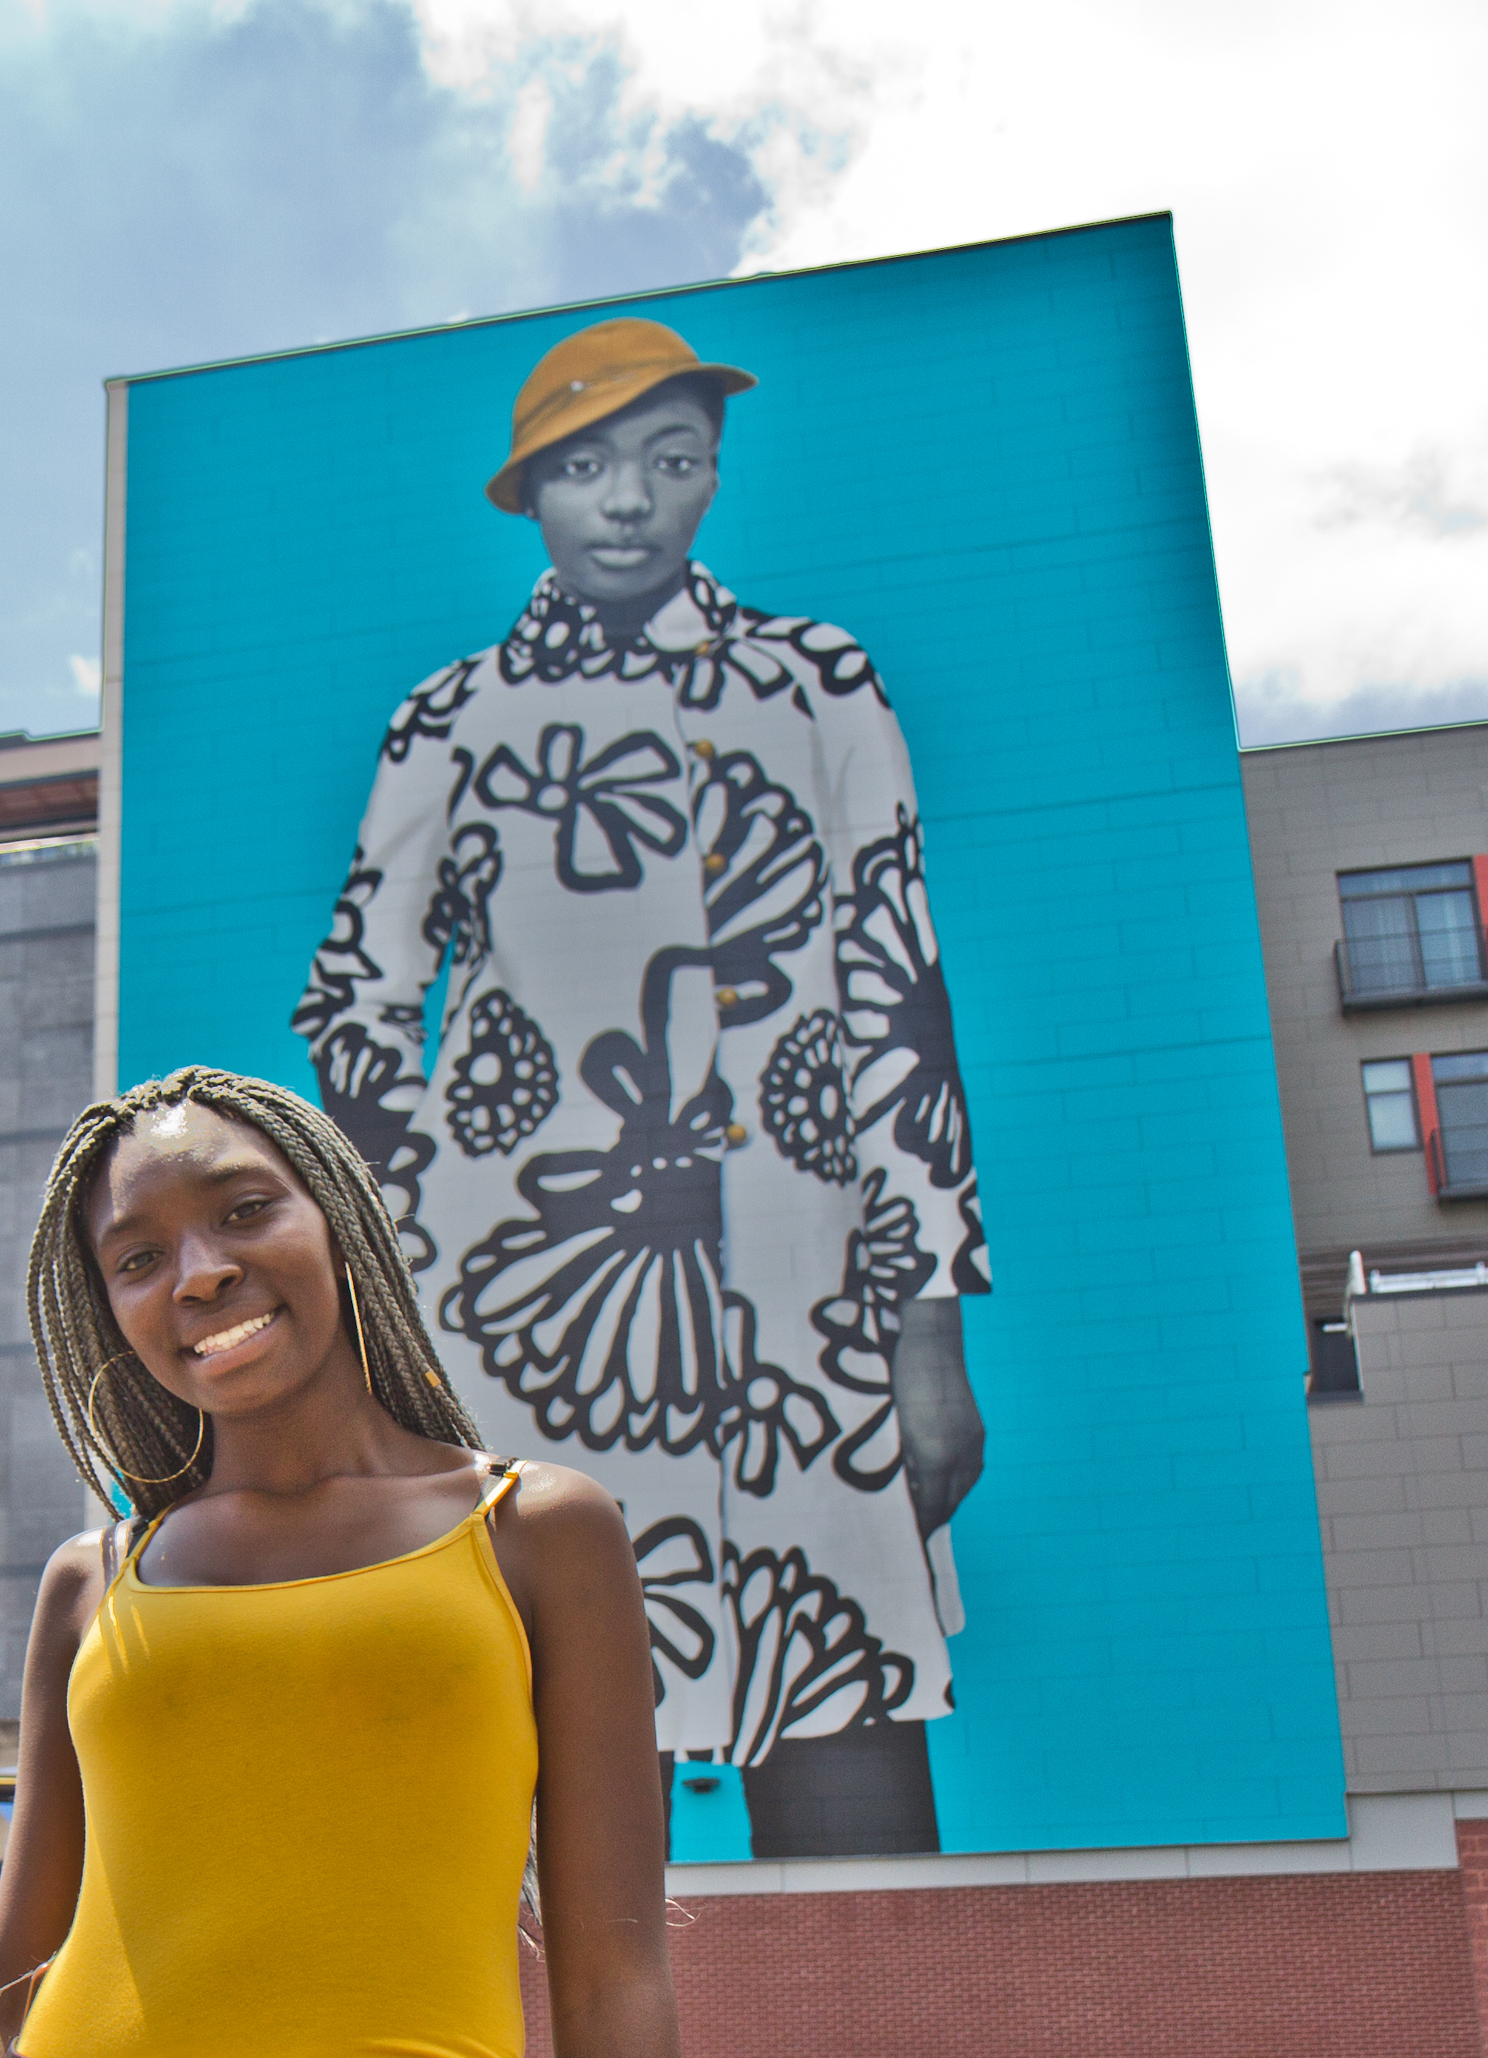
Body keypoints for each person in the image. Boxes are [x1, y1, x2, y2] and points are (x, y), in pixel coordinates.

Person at [296, 315, 989, 1856]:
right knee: (548, 1776)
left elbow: (893, 972)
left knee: (847, 1753)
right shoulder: (450, 718)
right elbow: (355, 999)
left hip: (807, 1311)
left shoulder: (819, 686)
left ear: (711, 481)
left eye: (670, 463)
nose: (628, 501)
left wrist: (926, 1319)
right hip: (541, 1305)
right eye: (589, 465)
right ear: (532, 492)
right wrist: (423, 1227)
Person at [0, 1067, 681, 2058]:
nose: (198, 1273)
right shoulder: (92, 1581)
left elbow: (613, 1981)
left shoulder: (536, 1530)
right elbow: (2, 1990)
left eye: (245, 1210)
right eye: (137, 1258)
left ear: (338, 1218)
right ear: (110, 1311)